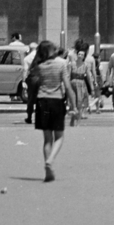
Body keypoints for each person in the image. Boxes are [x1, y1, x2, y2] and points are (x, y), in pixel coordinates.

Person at [29, 40, 75, 180]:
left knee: (47, 139)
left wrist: (30, 108)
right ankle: (50, 161)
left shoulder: (39, 66)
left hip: (42, 102)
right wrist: (74, 106)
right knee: (59, 137)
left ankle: (47, 166)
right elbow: (67, 86)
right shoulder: (62, 63)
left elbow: (33, 87)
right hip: (56, 101)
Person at [69, 41, 95, 120]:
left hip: (81, 83)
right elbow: (68, 75)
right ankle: (74, 111)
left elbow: (88, 77)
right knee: (73, 98)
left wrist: (92, 88)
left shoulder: (85, 65)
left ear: (84, 56)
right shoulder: (71, 64)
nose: (80, 56)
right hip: (73, 83)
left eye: (82, 55)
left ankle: (80, 113)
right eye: (79, 54)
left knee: (81, 99)